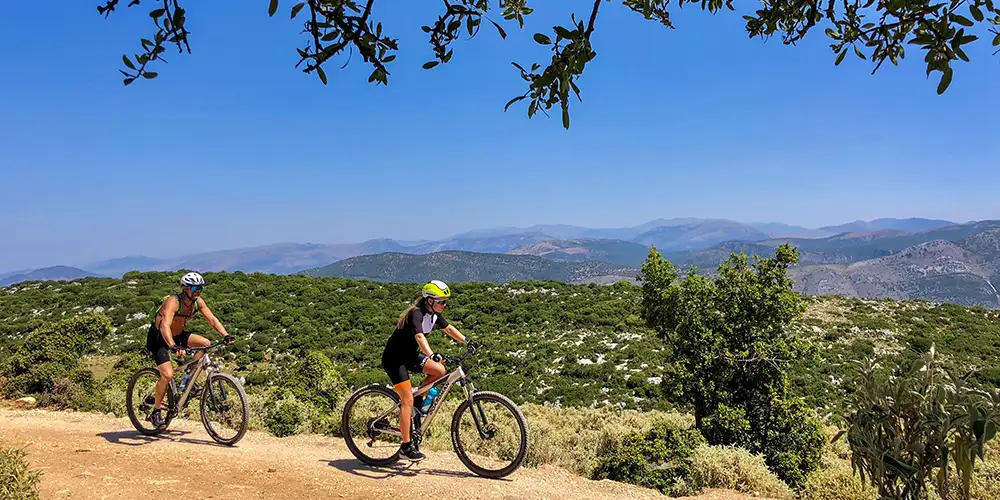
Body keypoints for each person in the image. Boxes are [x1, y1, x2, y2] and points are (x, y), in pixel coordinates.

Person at [381, 279, 469, 462]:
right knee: (406, 400)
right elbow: (420, 337)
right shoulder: (416, 313)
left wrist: (467, 341)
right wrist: (431, 355)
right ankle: (406, 447)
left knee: (440, 371)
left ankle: (418, 399)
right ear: (429, 300)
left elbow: (449, 329)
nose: (444, 305)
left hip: (410, 356)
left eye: (445, 302)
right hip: (394, 359)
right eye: (441, 301)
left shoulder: (434, 314)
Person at [144, 271, 234, 427]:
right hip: (159, 338)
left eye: (199, 287)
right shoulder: (173, 301)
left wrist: (225, 334)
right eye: (193, 287)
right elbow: (165, 326)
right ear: (185, 288)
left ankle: (187, 382)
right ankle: (156, 411)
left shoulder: (198, 302)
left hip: (179, 335)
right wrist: (173, 346)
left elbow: (212, 319)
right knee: (167, 375)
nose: (197, 290)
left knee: (205, 343)